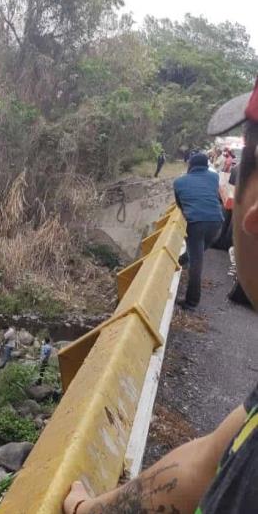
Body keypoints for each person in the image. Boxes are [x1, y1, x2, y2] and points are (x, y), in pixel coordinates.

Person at [63, 79, 258, 514]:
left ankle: (190, 298)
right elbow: (207, 463)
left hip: (194, 226)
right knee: (200, 260)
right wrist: (91, 511)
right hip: (212, 225)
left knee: (195, 261)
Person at [173, 152, 224, 309]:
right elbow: (215, 195)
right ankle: (182, 260)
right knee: (197, 252)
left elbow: (180, 205)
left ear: (190, 165)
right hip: (217, 223)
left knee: (197, 262)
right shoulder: (214, 177)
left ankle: (191, 301)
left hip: (196, 224)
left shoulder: (179, 182)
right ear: (207, 164)